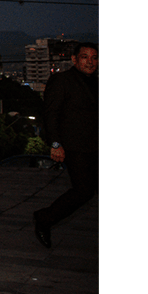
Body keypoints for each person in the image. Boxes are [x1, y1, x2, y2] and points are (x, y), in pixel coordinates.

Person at [33, 43, 98, 247]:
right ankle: (45, 218)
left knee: (89, 189)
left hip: (95, 145)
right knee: (84, 190)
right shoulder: (62, 80)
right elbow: (50, 114)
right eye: (85, 57)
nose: (90, 61)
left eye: (94, 57)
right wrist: (55, 144)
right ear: (74, 59)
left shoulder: (97, 83)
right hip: (73, 146)